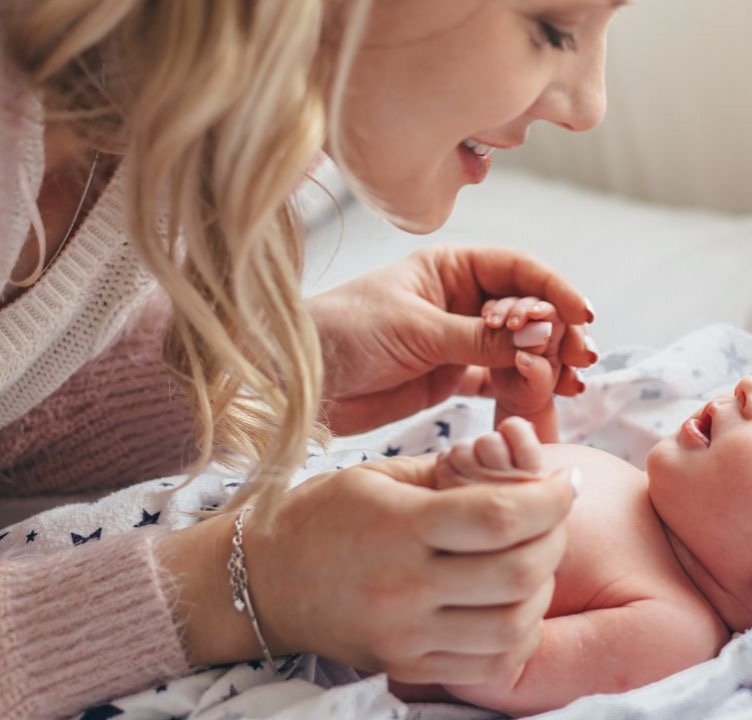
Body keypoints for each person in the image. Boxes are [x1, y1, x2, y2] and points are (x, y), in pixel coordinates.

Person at [0, 1, 629, 716]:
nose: (589, 107)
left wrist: (271, 359)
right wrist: (243, 587)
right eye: (551, 26)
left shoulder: (175, 118)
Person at [388, 301, 752, 716]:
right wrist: (523, 409)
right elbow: (542, 475)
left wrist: (483, 550)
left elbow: (506, 671)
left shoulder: (675, 629)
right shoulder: (638, 490)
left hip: (360, 600)